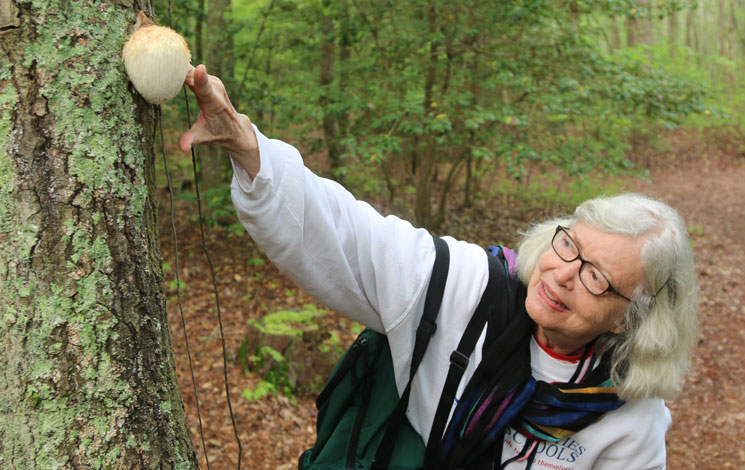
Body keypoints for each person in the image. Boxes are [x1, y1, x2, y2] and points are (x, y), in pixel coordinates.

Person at [180, 64, 699, 470]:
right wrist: (246, 145)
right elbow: (350, 234)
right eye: (570, 246)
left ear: (631, 318)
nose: (564, 274)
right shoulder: (471, 289)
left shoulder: (631, 423)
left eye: (596, 278)